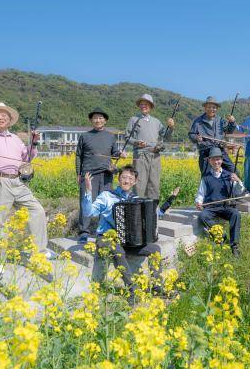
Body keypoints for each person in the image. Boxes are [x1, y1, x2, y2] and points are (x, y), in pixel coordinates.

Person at [0, 102, 55, 259]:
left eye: (4, 115)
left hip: (18, 181)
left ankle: (40, 252)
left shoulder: (16, 138)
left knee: (37, 211)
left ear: (9, 120)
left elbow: (27, 157)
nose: (0, 117)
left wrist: (33, 143)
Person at [82, 165, 181, 296]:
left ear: (134, 182)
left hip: (127, 242)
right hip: (105, 238)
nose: (126, 181)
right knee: (116, 249)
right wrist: (88, 192)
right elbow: (88, 212)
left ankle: (157, 287)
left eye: (130, 178)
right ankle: (132, 290)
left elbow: (156, 214)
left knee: (154, 249)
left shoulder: (136, 200)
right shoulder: (106, 196)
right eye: (123, 177)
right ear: (119, 179)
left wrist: (170, 199)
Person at [76, 108, 126, 241]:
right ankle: (83, 232)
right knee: (86, 202)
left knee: (106, 203)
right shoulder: (85, 136)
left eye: (100, 118)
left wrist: (120, 154)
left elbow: (114, 153)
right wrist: (78, 173)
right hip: (89, 175)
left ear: (105, 120)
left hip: (106, 175)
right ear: (91, 120)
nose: (98, 120)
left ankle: (103, 231)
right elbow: (78, 156)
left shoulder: (110, 136)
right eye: (95, 118)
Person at [195, 147, 245, 256]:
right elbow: (201, 194)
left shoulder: (229, 175)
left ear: (222, 160)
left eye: (218, 159)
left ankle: (234, 246)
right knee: (203, 216)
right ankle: (221, 236)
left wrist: (238, 181)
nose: (216, 162)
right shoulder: (206, 177)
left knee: (236, 214)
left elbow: (238, 191)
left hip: (225, 207)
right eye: (213, 159)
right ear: (209, 161)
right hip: (211, 207)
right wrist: (198, 202)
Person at [125, 93, 175, 200]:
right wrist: (137, 142)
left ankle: (152, 212)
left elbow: (166, 137)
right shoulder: (134, 119)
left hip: (155, 155)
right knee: (139, 184)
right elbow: (127, 138)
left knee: (154, 184)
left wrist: (171, 127)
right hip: (140, 155)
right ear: (139, 106)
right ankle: (138, 211)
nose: (144, 106)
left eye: (146, 104)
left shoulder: (156, 122)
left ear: (151, 106)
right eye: (142, 104)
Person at [188, 96, 237, 175]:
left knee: (233, 171)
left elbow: (229, 130)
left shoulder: (220, 120)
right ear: (205, 108)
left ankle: (231, 187)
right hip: (205, 151)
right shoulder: (198, 121)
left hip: (219, 150)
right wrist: (196, 138)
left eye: (214, 107)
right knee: (206, 175)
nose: (211, 109)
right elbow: (191, 135)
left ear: (217, 108)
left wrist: (232, 122)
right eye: (209, 107)